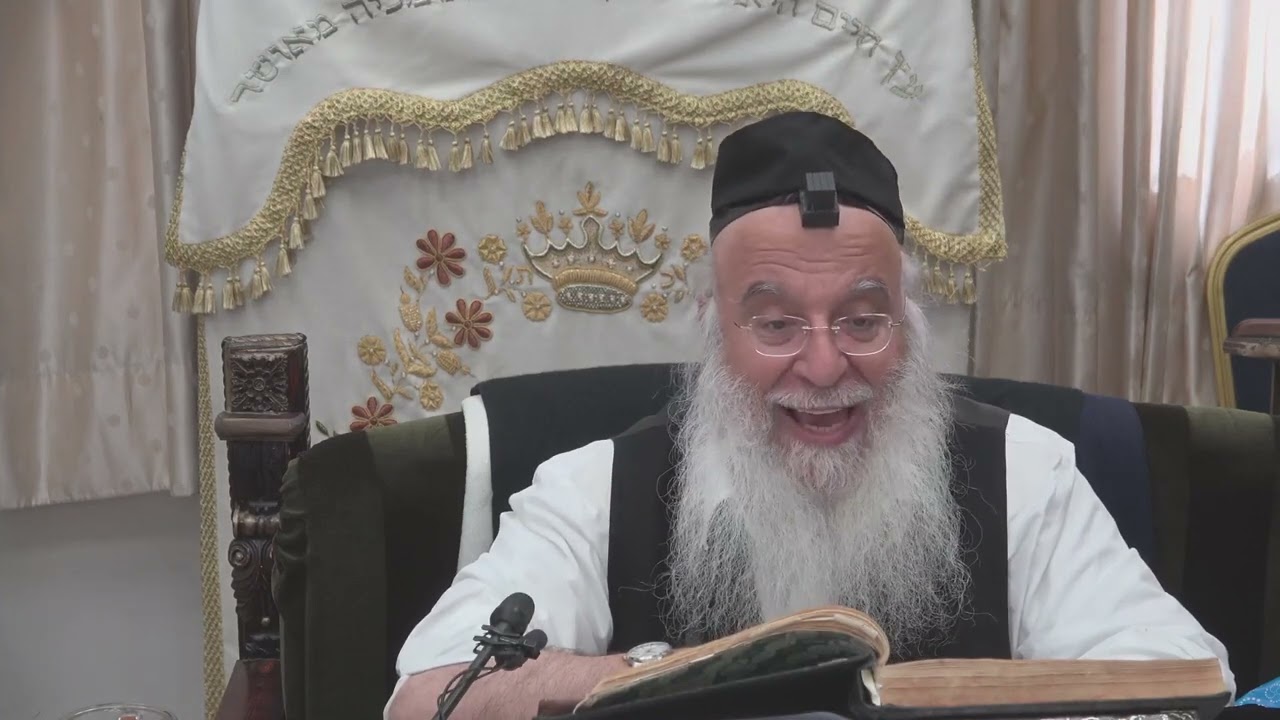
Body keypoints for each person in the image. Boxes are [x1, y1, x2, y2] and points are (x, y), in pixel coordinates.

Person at [385, 111, 1233, 720]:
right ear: (714, 330)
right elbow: (429, 692)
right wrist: (674, 681)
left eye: (863, 321)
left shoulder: (1023, 471)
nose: (824, 368)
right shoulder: (596, 488)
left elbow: (1181, 676)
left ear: (909, 326)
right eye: (775, 325)